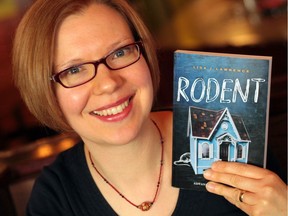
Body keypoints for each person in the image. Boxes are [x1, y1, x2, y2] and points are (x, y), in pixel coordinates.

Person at [13, 0, 287, 215]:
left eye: (120, 52)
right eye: (73, 70)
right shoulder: (55, 199)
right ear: (46, 91)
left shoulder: (237, 136)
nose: (108, 83)